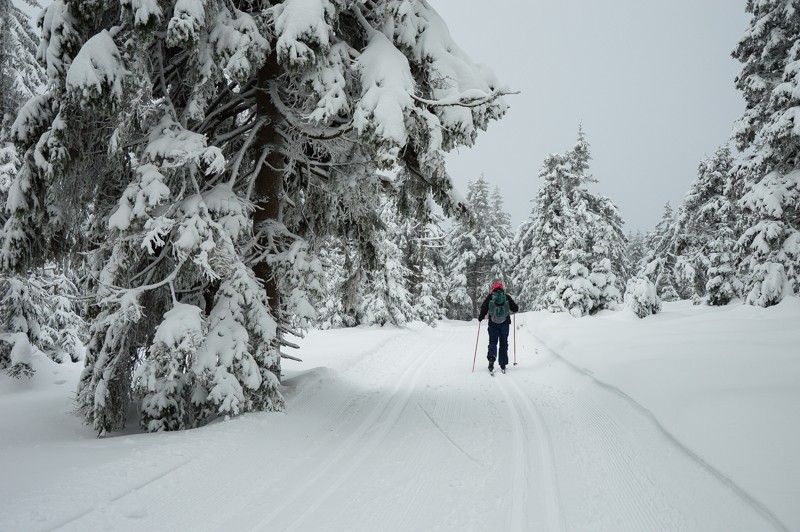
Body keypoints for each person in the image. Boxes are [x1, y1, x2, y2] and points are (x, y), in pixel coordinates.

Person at [478, 281, 519, 373]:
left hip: (493, 323)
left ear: (493, 288)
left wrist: (481, 317)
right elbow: (515, 308)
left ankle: (492, 357)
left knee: (493, 341)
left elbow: (483, 308)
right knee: (504, 343)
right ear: (502, 288)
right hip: (505, 323)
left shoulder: (490, 297)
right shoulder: (506, 296)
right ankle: (503, 364)